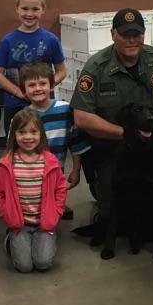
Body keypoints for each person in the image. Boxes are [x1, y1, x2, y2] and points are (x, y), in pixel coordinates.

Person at [70, 7, 153, 246]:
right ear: (113, 34)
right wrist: (125, 133)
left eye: (137, 34)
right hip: (113, 150)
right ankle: (102, 202)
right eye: (125, 34)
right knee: (111, 216)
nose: (132, 40)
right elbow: (81, 117)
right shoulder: (97, 67)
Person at [0, 108, 67, 272]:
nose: (28, 137)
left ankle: (45, 240)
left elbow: (60, 189)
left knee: (43, 263)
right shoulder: (7, 163)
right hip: (19, 224)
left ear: (41, 134)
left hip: (44, 222)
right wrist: (7, 213)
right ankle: (10, 241)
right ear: (14, 135)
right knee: (24, 267)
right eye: (22, 132)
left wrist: (56, 212)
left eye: (33, 131)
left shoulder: (50, 161)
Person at [0, 0, 67, 135]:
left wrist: (46, 88)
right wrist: (19, 92)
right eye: (25, 9)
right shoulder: (7, 41)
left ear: (43, 10)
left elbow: (62, 71)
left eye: (35, 9)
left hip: (44, 104)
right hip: (16, 104)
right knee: (17, 144)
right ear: (17, 9)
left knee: (44, 142)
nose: (29, 14)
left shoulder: (51, 40)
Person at [19, 62, 89, 220]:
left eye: (43, 83)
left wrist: (76, 170)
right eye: (31, 85)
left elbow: (76, 143)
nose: (37, 88)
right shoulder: (21, 117)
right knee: (33, 216)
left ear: (51, 85)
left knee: (50, 218)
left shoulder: (65, 110)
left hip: (56, 175)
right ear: (24, 91)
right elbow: (12, 151)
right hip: (29, 176)